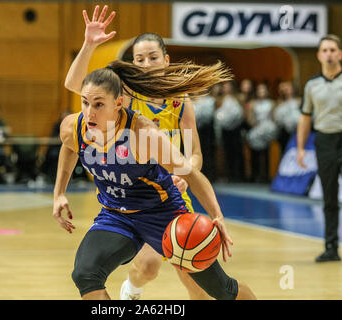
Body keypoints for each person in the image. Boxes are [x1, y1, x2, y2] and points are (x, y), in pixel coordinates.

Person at [54, 61, 256, 300]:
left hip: (162, 214)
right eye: (85, 103)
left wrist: (217, 216)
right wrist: (59, 193)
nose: (89, 112)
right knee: (85, 274)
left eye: (99, 104)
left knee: (222, 290)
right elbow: (70, 147)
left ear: (118, 103)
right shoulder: (73, 127)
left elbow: (191, 174)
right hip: (116, 214)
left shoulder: (143, 134)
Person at [64, 5, 211, 300]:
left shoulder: (180, 102)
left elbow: (194, 154)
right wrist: (90, 44)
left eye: (152, 57)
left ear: (166, 60)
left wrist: (183, 173)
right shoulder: (126, 94)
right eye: (139, 59)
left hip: (172, 194)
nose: (145, 64)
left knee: (195, 278)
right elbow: (76, 85)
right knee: (147, 265)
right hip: (135, 193)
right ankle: (131, 291)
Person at [297, 34, 342, 263]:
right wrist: (301, 148)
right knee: (329, 197)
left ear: (340, 54)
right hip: (324, 141)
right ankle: (331, 247)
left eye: (333, 50)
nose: (329, 54)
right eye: (325, 50)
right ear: (319, 55)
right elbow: (305, 118)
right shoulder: (312, 85)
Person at [214, 81, 245, 182]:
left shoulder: (238, 98)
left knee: (237, 151)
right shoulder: (219, 100)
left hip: (236, 129)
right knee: (227, 152)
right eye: (224, 87)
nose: (226, 89)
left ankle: (239, 175)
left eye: (228, 87)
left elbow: (242, 112)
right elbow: (217, 115)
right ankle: (229, 175)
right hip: (225, 130)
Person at [246, 83, 276, 183]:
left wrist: (268, 128)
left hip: (267, 129)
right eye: (259, 90)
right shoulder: (253, 103)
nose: (261, 92)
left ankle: (266, 175)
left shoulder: (271, 103)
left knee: (266, 153)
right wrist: (256, 126)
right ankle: (255, 174)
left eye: (263, 90)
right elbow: (250, 118)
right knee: (254, 152)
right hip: (257, 128)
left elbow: (273, 117)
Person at [273, 81, 301, 152]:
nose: (286, 90)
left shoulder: (299, 100)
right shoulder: (279, 103)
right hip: (284, 133)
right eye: (284, 89)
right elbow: (276, 119)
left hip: (299, 131)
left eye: (288, 88)